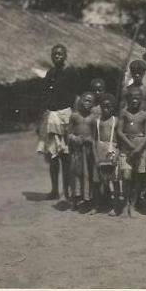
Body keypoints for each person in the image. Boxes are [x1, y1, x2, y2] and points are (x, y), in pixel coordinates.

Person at [36, 44, 79, 200]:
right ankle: (54, 190)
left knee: (66, 156)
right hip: (51, 116)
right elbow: (44, 96)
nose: (58, 56)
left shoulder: (71, 73)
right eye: (55, 54)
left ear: (65, 56)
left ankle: (67, 191)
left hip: (66, 116)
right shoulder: (50, 73)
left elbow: (75, 96)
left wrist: (73, 119)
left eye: (60, 54)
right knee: (53, 155)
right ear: (52, 56)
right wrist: (41, 118)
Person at [117, 88, 146, 217]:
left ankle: (133, 205)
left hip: (140, 148)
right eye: (132, 98)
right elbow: (120, 131)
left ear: (141, 100)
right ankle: (125, 204)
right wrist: (130, 146)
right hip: (127, 148)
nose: (135, 100)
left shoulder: (145, 115)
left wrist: (138, 148)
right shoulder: (123, 113)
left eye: (138, 98)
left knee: (137, 178)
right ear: (128, 99)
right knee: (126, 176)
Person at [67, 92, 96, 210]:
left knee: (87, 173)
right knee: (75, 173)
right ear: (80, 101)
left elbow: (95, 135)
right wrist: (75, 138)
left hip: (88, 150)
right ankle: (75, 199)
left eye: (90, 101)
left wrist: (90, 139)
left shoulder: (93, 118)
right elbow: (68, 133)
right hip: (76, 150)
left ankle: (87, 199)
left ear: (93, 104)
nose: (87, 103)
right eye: (85, 100)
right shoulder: (74, 116)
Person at [92, 93, 119, 215]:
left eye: (108, 107)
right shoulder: (97, 122)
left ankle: (115, 206)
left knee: (114, 180)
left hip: (112, 150)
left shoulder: (115, 121)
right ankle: (97, 205)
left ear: (113, 108)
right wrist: (96, 157)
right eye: (103, 107)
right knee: (98, 181)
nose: (105, 109)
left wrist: (117, 155)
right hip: (100, 150)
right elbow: (93, 140)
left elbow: (120, 141)